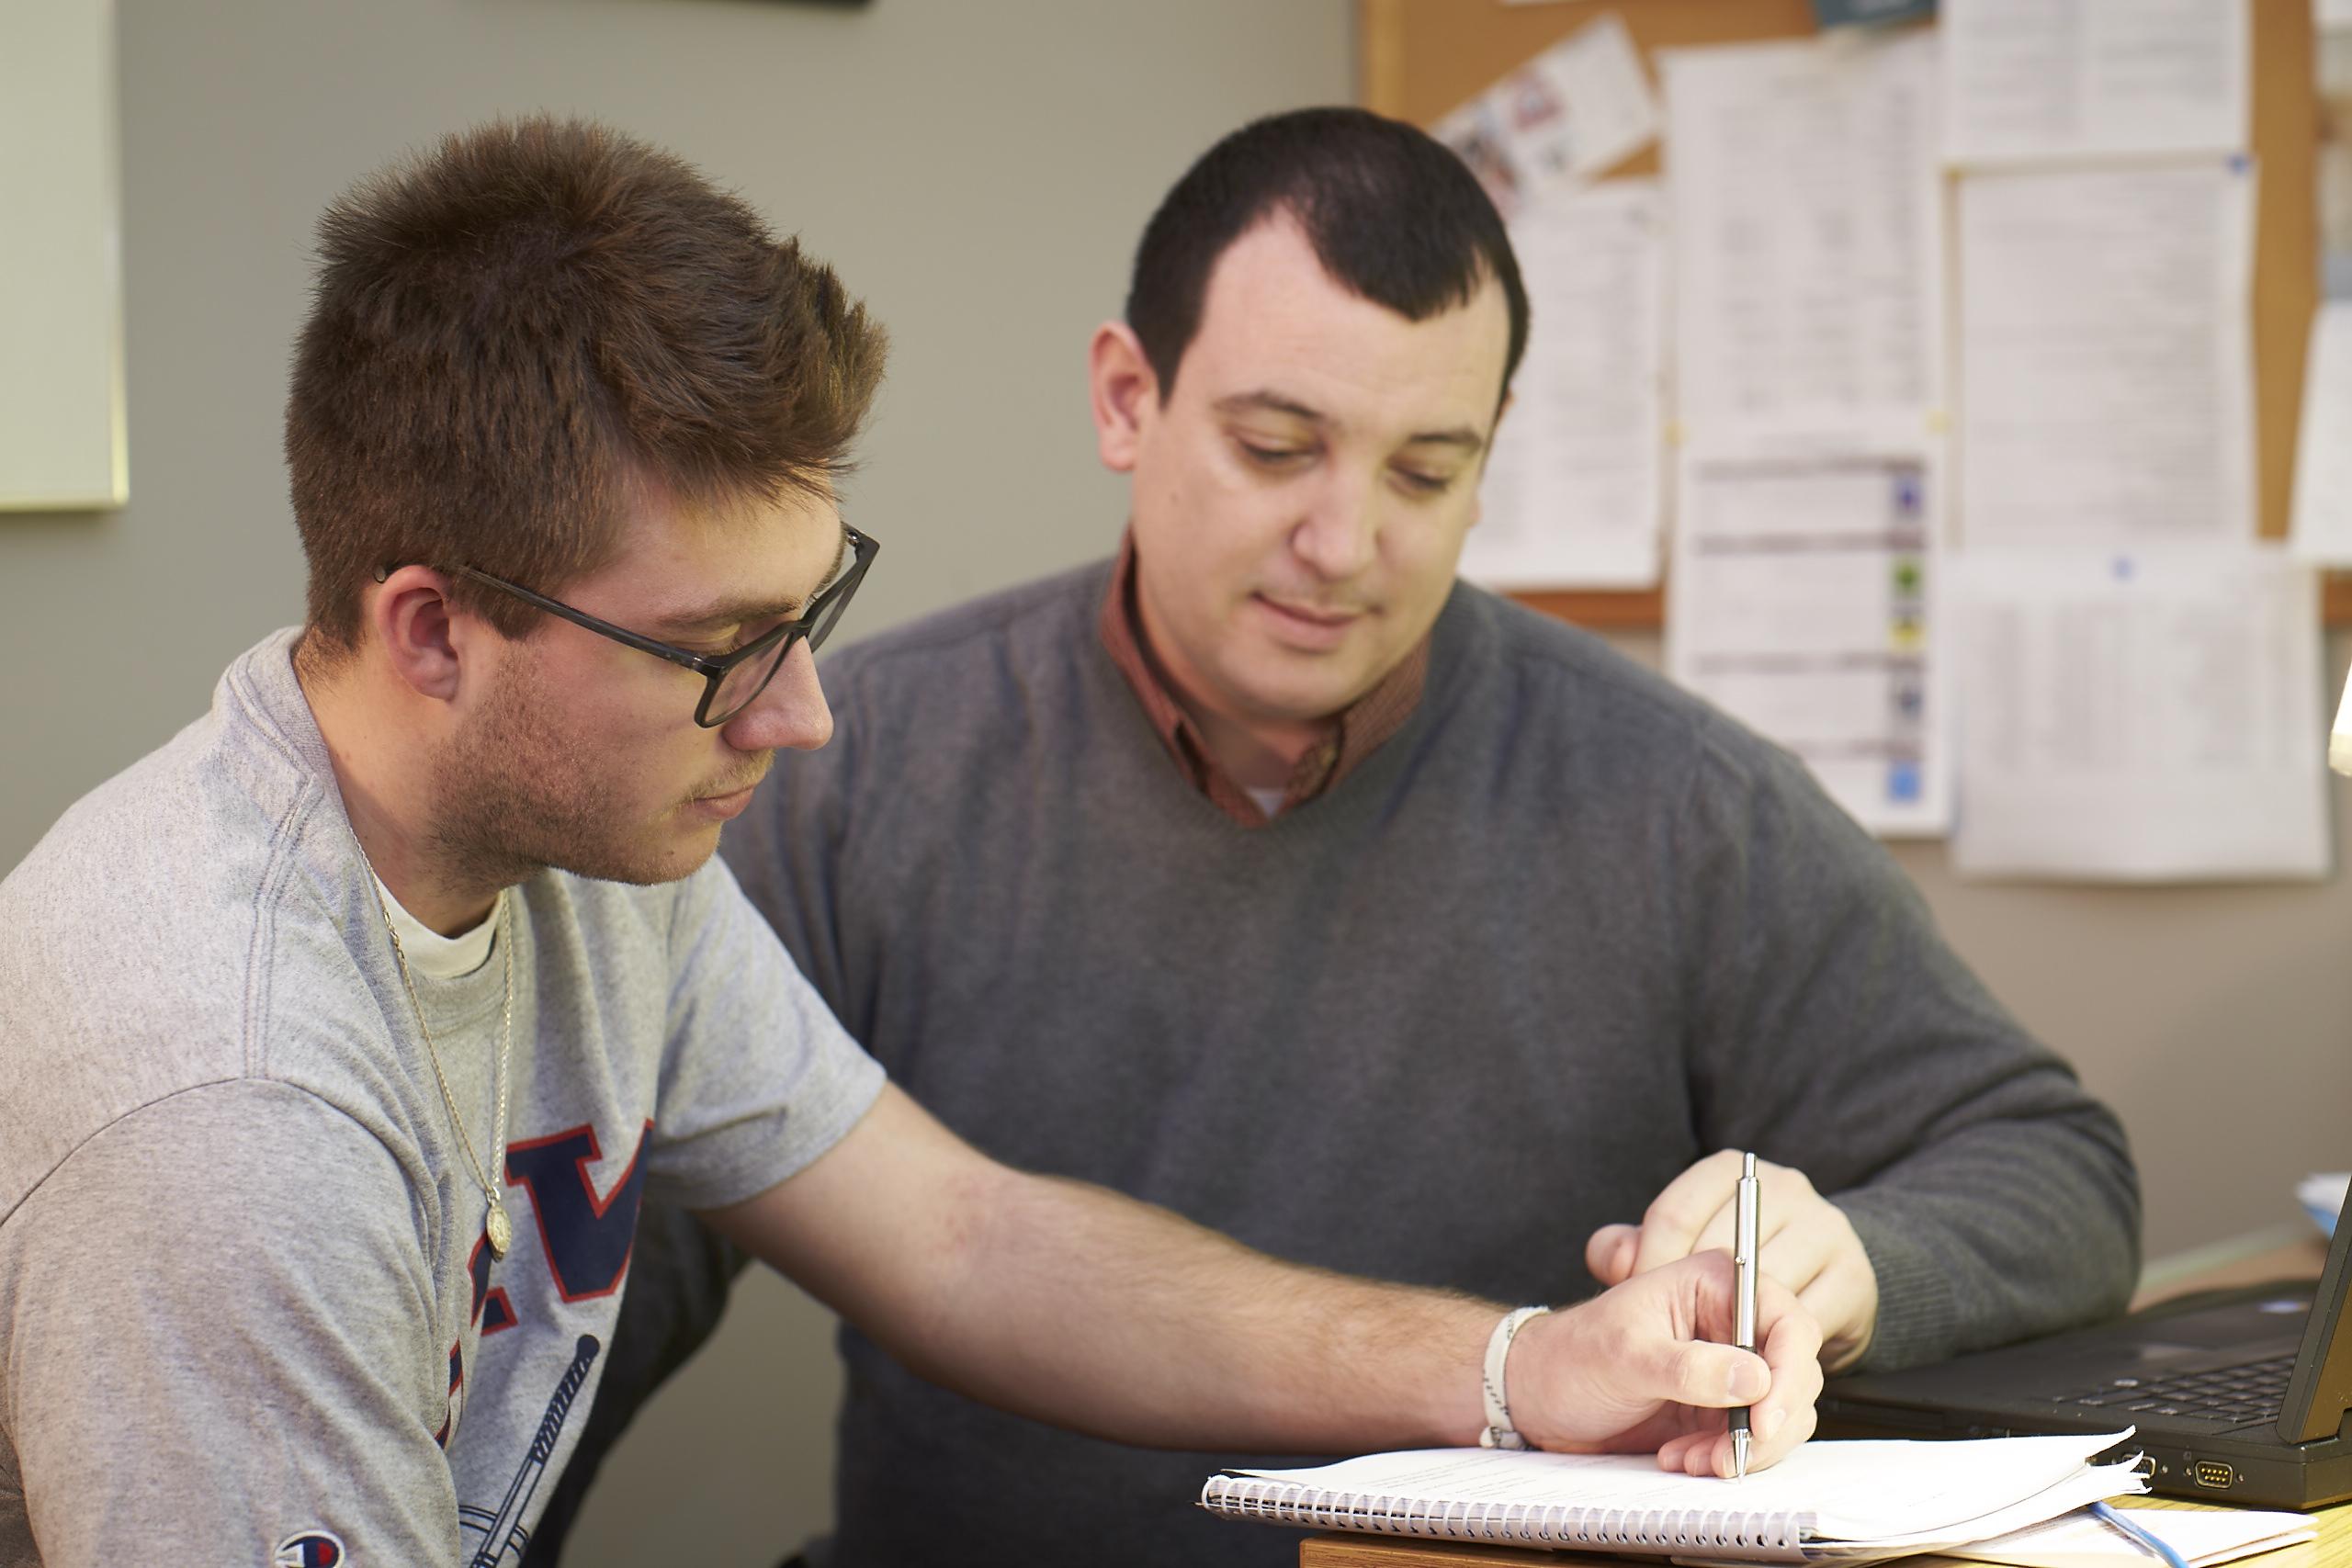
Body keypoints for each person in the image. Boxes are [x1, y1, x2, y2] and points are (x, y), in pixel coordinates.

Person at [0, 116, 1829, 1568]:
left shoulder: (581, 857)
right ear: (431, 632)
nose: (799, 715)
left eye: (814, 613)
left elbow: (959, 1239)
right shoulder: (231, 1107)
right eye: (724, 652)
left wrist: (1517, 1367)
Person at [673, 107, 2136, 1568]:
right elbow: (610, 1223)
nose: (1346, 540)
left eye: (1426, 473)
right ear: (1128, 398)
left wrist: (1848, 1270)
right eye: (1276, 446)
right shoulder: (838, 764)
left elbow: (2054, 1171)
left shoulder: (1677, 803)